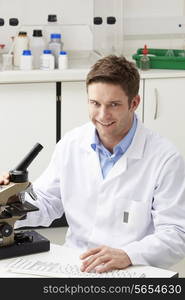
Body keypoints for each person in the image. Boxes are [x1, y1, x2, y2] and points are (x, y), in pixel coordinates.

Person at [1, 55, 185, 274]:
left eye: (114, 105)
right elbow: (46, 201)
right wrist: (8, 202)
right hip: (74, 262)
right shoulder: (71, 143)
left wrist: (129, 254)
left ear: (134, 103)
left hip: (133, 268)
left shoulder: (165, 159)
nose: (102, 115)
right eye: (95, 103)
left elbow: (176, 233)